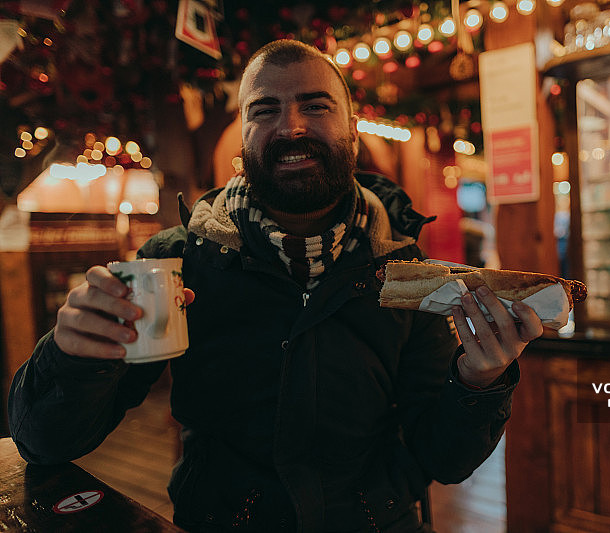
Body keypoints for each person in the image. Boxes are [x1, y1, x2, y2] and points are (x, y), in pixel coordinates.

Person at [8, 39, 543, 533]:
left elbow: (443, 459)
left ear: (351, 129)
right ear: (243, 135)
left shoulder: (407, 272)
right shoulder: (177, 261)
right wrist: (73, 357)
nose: (290, 127)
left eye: (316, 105)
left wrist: (478, 382)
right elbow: (44, 442)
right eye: (265, 110)